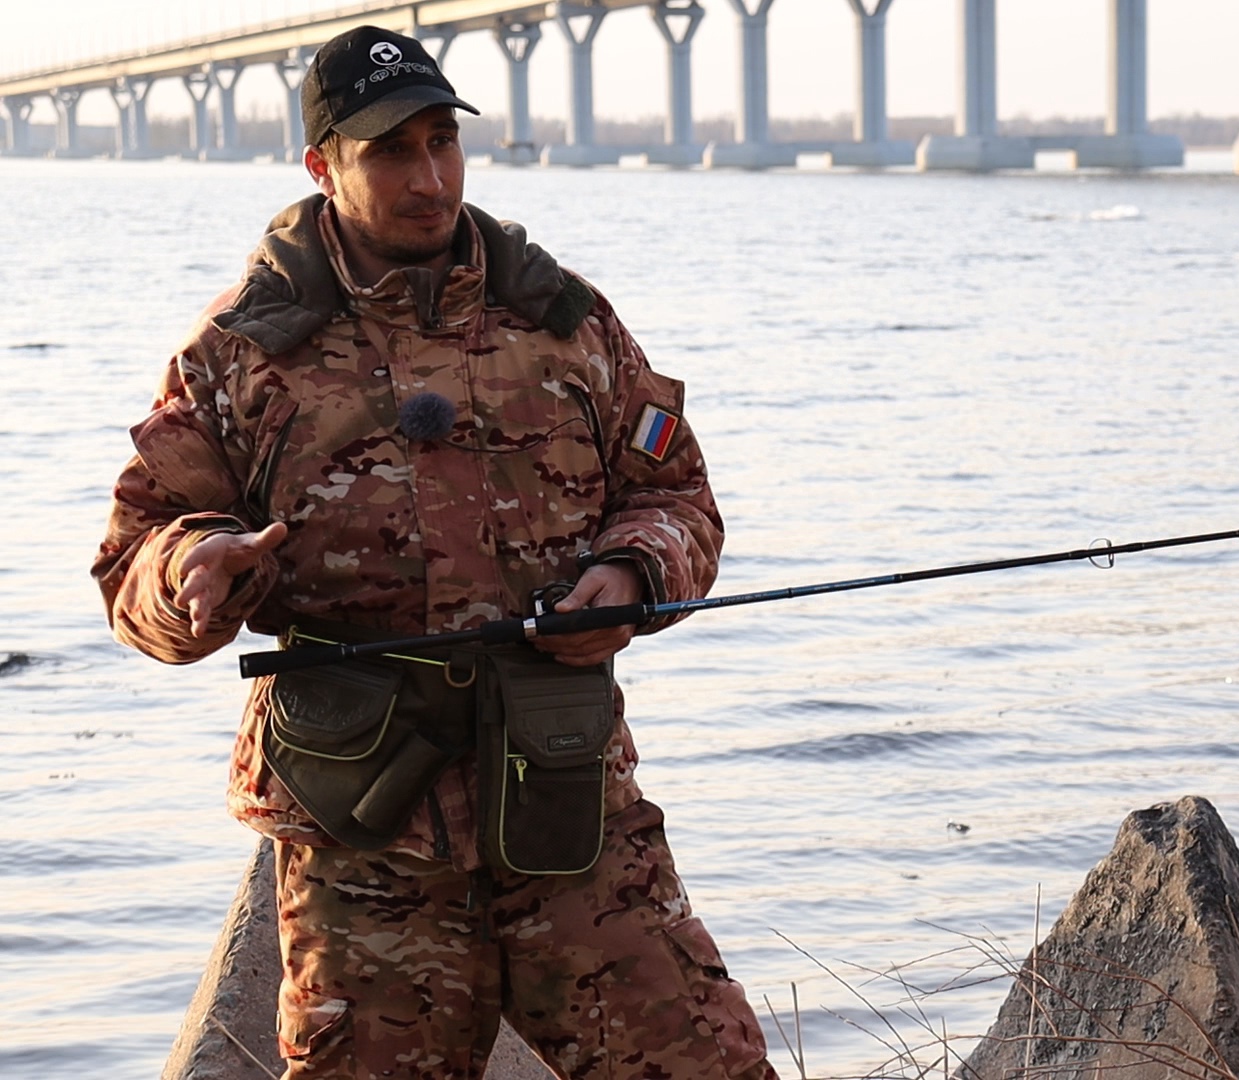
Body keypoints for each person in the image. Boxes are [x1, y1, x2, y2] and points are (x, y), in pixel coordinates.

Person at [93, 25, 775, 1080]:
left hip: (569, 806)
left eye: (442, 143)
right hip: (363, 840)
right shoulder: (240, 353)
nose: (430, 178)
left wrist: (632, 575)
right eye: (390, 153)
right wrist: (195, 574)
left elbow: (676, 494)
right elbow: (138, 554)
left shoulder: (565, 321)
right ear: (322, 166)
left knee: (709, 1065)